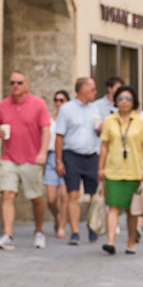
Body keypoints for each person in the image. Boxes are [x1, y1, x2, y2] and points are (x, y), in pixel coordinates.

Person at [0, 71, 51, 251]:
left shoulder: (38, 104)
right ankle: (8, 236)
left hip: (31, 159)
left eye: (19, 82)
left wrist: (42, 153)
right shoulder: (3, 105)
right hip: (9, 158)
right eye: (12, 83)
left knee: (35, 198)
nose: (15, 86)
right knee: (7, 194)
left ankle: (39, 231)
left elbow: (45, 130)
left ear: (26, 84)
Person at [97, 84, 143, 255]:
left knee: (131, 210)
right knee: (112, 206)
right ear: (116, 101)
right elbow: (104, 146)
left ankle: (130, 243)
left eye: (128, 98)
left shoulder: (141, 121)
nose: (124, 102)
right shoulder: (109, 121)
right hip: (113, 169)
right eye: (120, 98)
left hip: (134, 170)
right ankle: (111, 241)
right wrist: (100, 168)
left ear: (133, 101)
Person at [54, 76, 104, 245]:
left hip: (91, 155)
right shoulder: (66, 109)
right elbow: (59, 136)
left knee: (93, 195)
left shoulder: (95, 108)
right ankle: (75, 231)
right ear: (82, 90)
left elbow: (100, 134)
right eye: (92, 89)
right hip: (72, 155)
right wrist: (59, 161)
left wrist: (100, 131)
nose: (95, 92)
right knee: (73, 193)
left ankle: (91, 225)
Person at [44, 90, 70, 238]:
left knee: (65, 196)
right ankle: (57, 216)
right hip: (51, 157)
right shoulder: (49, 119)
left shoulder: (70, 119)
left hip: (67, 157)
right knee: (51, 199)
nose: (58, 103)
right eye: (56, 100)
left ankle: (61, 227)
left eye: (62, 100)